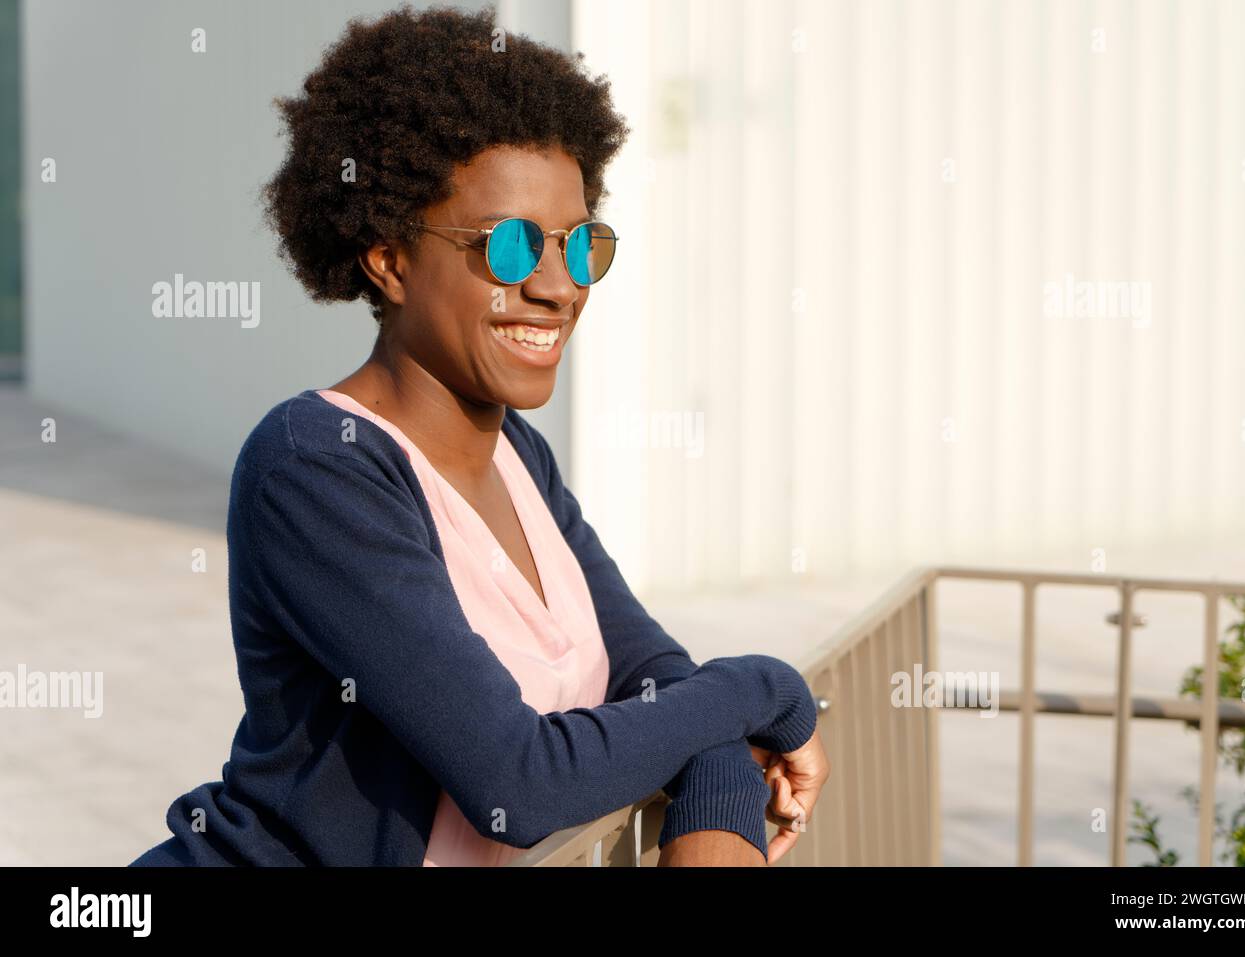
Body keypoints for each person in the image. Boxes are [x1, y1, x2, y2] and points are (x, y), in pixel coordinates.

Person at [130, 3, 828, 868]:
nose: (557, 287)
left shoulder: (516, 453)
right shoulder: (313, 467)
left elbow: (655, 680)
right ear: (387, 256)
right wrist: (767, 688)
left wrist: (718, 778)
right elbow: (519, 783)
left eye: (581, 247)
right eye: (509, 247)